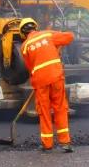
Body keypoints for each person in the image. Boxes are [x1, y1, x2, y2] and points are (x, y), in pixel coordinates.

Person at [18, 17, 75, 153]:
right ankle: (65, 142)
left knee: (44, 111)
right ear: (35, 27)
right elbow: (70, 36)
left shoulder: (24, 46)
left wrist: (37, 81)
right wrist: (56, 40)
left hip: (40, 81)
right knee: (60, 108)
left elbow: (30, 67)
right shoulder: (48, 35)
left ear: (23, 33)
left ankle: (47, 144)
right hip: (56, 77)